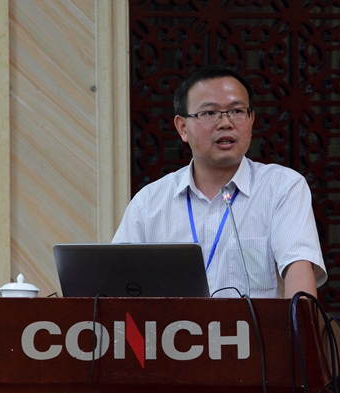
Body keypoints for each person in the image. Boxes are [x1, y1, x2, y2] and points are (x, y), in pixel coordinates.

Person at [113, 66, 327, 298]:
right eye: (209, 113)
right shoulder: (150, 202)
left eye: (237, 111)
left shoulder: (282, 187)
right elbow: (116, 281)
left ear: (251, 120)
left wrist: (299, 320)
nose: (226, 123)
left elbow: (298, 270)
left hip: (254, 323)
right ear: (182, 127)